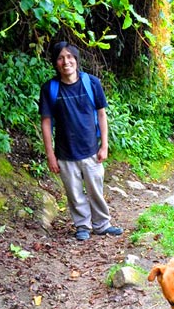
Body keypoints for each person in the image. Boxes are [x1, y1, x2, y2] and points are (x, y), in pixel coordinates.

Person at [39, 41, 123, 241]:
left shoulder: (92, 83)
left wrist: (104, 145)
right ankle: (82, 226)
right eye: (60, 58)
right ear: (55, 62)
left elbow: (101, 115)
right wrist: (50, 155)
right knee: (74, 193)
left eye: (69, 57)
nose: (65, 61)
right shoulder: (50, 88)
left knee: (96, 190)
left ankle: (102, 225)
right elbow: (46, 122)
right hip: (65, 152)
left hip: (91, 150)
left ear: (76, 60)